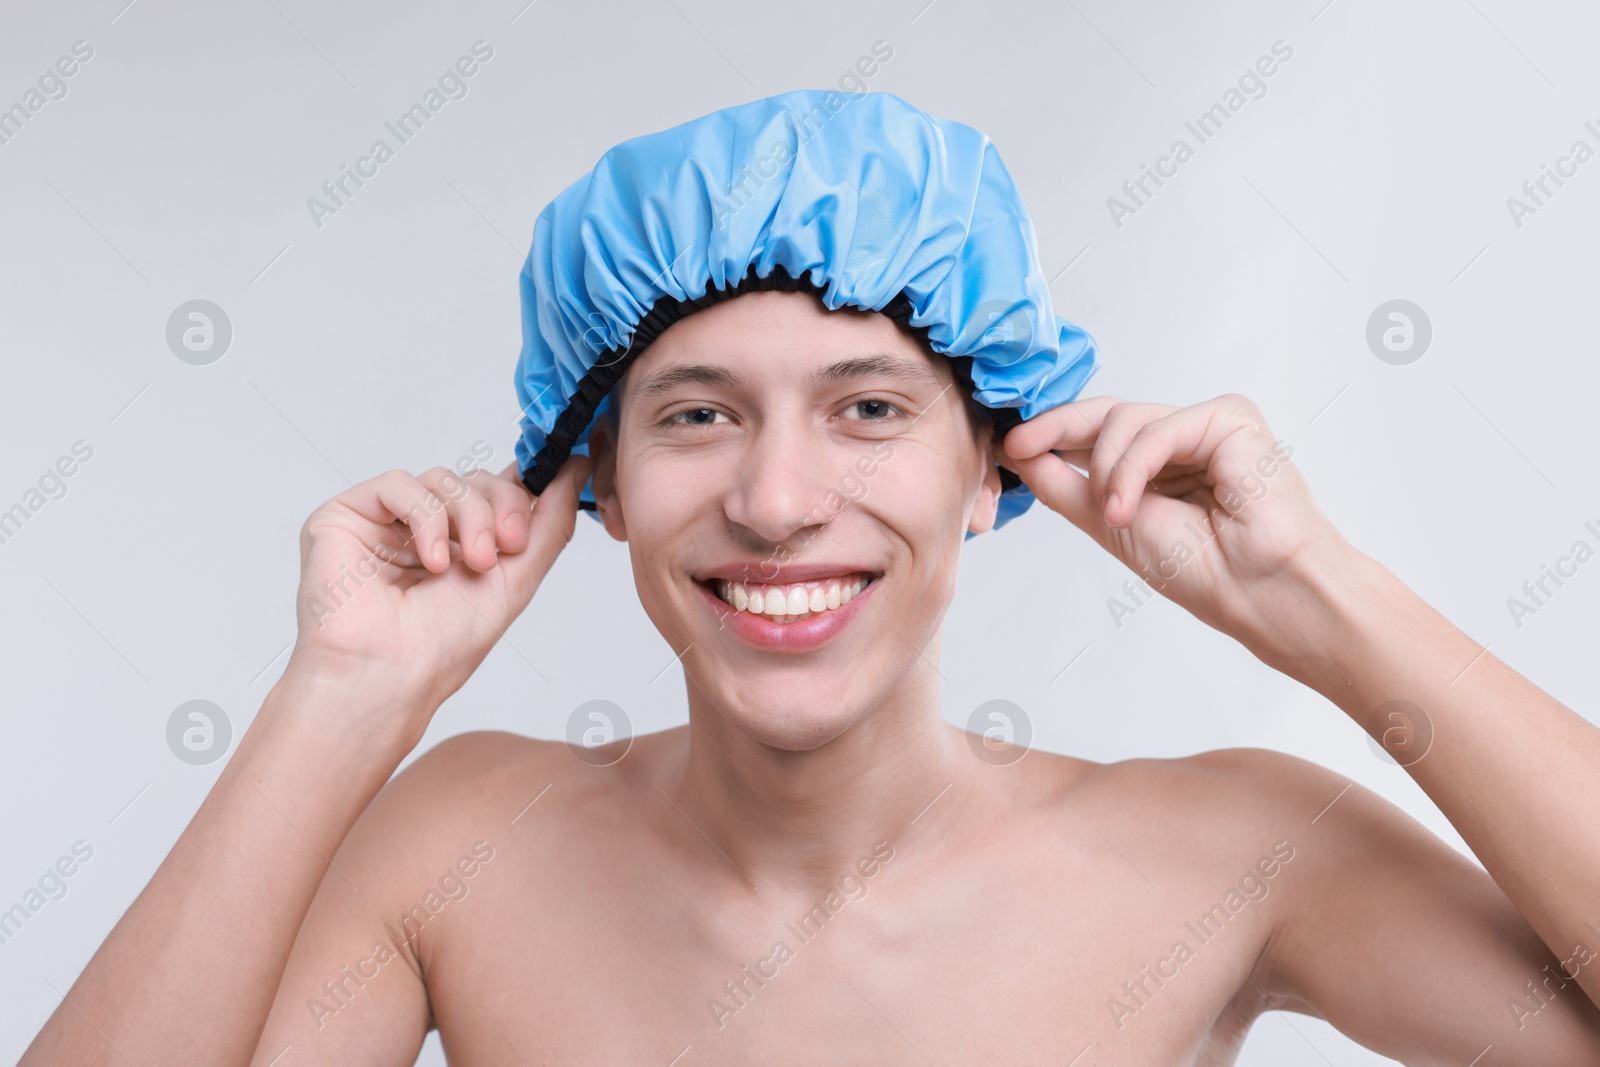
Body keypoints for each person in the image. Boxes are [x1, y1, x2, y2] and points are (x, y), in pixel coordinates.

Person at [24, 91, 1600, 1067]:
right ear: (602, 481)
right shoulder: (466, 847)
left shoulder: (1239, 851)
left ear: (991, 467)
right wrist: (343, 697)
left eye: (869, 410)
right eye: (697, 415)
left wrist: (1316, 594)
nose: (778, 502)